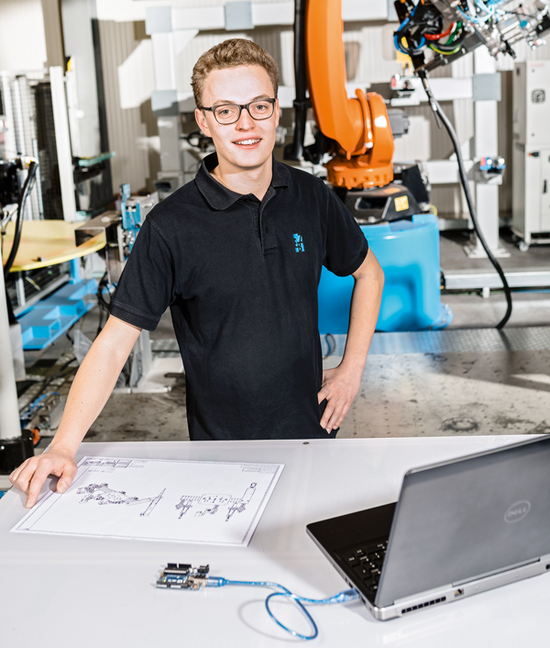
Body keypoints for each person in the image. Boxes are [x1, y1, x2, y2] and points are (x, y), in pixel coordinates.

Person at [10, 39, 384, 508]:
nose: (246, 123)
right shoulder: (171, 226)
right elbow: (114, 342)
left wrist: (351, 369)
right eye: (226, 110)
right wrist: (64, 443)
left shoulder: (310, 196)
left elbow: (369, 275)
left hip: (313, 435)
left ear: (276, 113)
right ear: (203, 121)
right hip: (221, 452)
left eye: (258, 106)